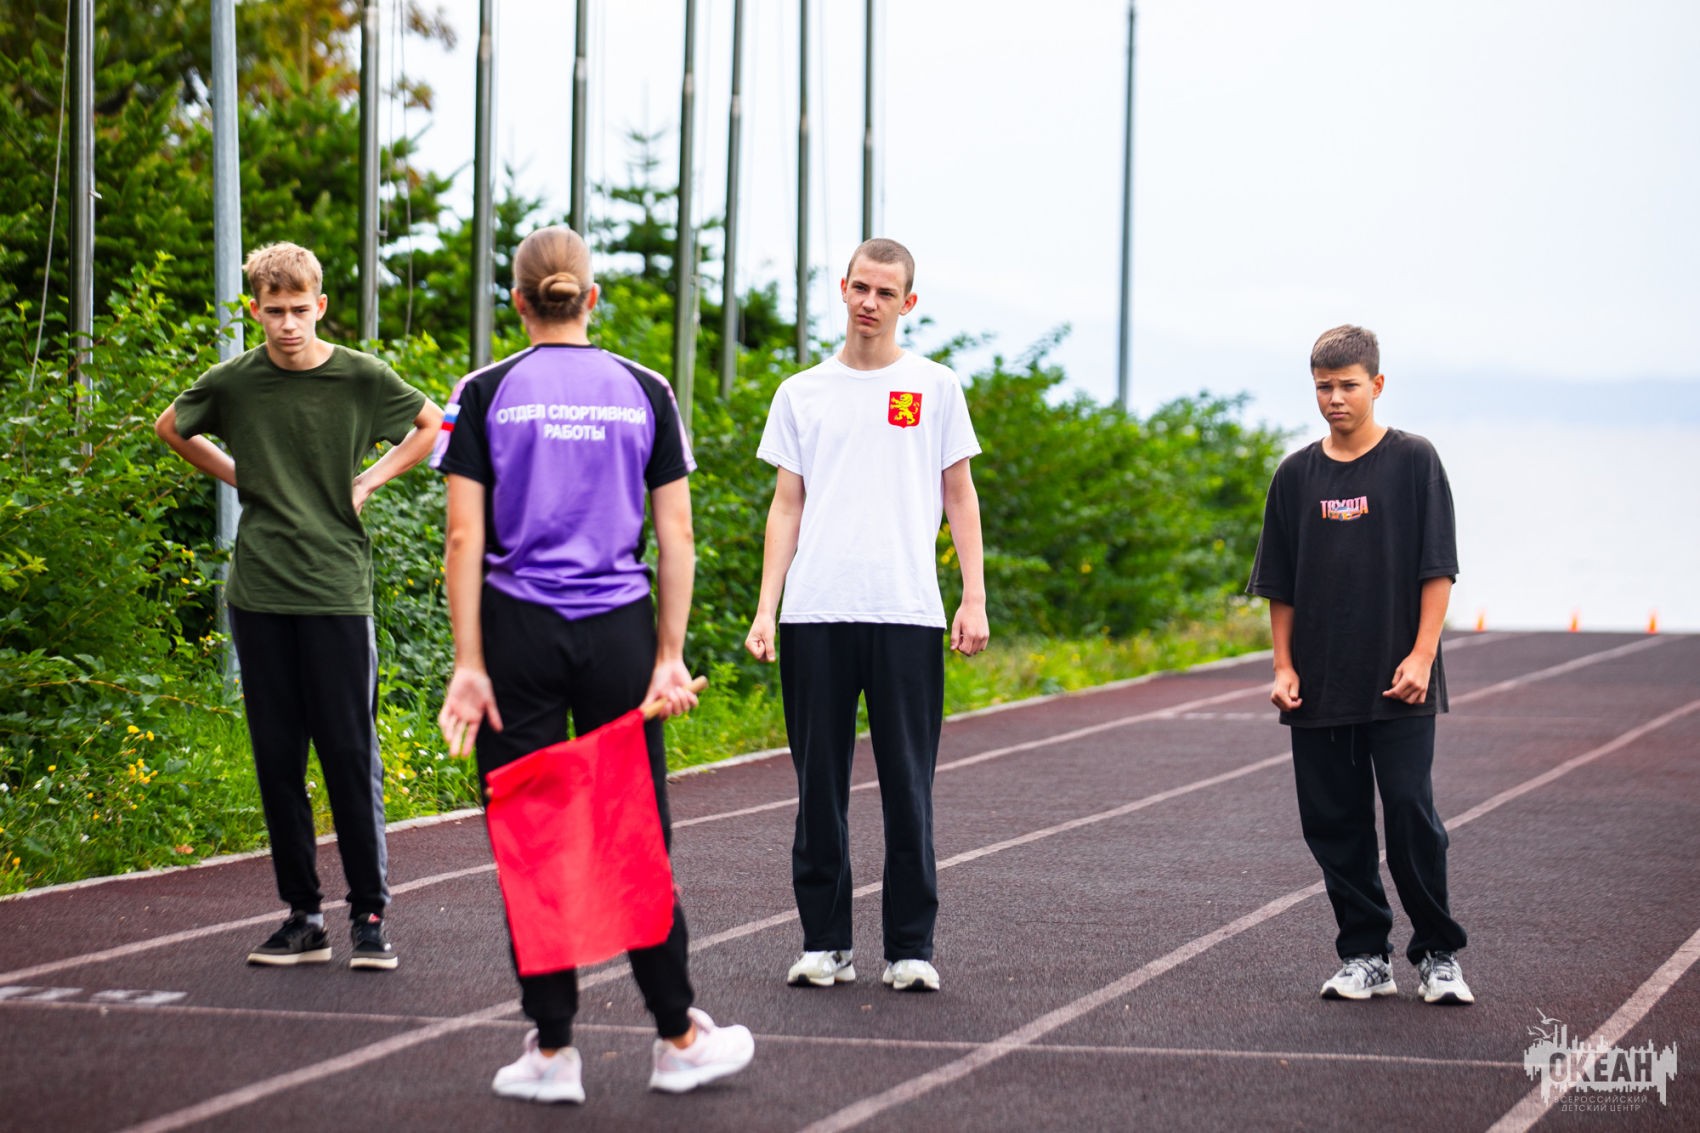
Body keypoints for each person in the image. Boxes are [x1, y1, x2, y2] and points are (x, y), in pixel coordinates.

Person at [434, 225, 754, 1104]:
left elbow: (462, 536)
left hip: (517, 632)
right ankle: (678, 1036)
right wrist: (669, 656)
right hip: (618, 630)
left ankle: (552, 1049)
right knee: (630, 832)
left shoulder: (483, 391)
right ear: (592, 298)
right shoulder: (646, 388)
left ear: (518, 301)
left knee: (532, 833)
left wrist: (469, 662)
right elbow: (676, 534)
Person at [154, 242, 442, 970]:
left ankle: (369, 915)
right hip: (260, 592)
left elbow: (431, 423)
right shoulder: (236, 381)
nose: (287, 324)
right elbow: (170, 427)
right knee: (277, 759)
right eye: (273, 310)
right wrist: (240, 475)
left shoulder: (360, 376)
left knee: (349, 754)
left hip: (336, 592)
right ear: (255, 309)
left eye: (298, 309)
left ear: (320, 305)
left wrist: (368, 480)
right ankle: (303, 917)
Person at [746, 237, 989, 995]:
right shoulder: (801, 392)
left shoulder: (935, 387)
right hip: (815, 613)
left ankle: (910, 947)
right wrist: (767, 607)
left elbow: (960, 495)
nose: (869, 303)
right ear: (843, 288)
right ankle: (825, 944)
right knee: (818, 790)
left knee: (907, 789)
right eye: (860, 287)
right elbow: (786, 505)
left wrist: (973, 596)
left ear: (907, 302)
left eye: (886, 292)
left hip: (906, 612)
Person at [1247, 324, 1473, 1005]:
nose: (1335, 398)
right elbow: (1279, 584)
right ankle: (1365, 954)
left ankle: (1438, 953)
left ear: (1376, 384)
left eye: (1348, 385)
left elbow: (1438, 568)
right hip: (1319, 684)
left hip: (1400, 680)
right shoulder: (1295, 475)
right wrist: (1283, 667)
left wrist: (1423, 656)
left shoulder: (1413, 461)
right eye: (1324, 387)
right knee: (1334, 824)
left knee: (1410, 814)